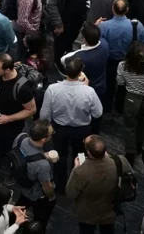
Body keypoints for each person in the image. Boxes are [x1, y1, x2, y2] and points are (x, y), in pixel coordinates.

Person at [41, 57, 102, 187]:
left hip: (59, 129)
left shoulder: (52, 89)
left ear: (65, 71)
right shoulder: (89, 91)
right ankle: (77, 182)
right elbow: (98, 113)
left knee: (59, 156)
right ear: (81, 72)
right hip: (82, 130)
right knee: (80, 156)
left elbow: (44, 115)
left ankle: (60, 184)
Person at [67, 135, 130, 234]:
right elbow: (129, 177)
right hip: (110, 208)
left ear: (88, 151)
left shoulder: (80, 171)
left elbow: (70, 193)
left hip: (87, 212)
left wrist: (75, 168)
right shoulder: (120, 161)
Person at [0, 53, 38, 156]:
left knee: (10, 146)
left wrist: (8, 118)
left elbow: (31, 110)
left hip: (12, 126)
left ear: (7, 70)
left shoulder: (22, 88)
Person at [11, 120, 56, 223]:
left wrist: (43, 155)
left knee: (20, 204)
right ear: (44, 139)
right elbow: (46, 186)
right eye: (51, 133)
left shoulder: (21, 137)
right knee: (41, 217)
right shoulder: (42, 165)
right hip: (35, 194)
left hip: (21, 182)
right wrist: (52, 197)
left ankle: (11, 221)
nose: (52, 134)